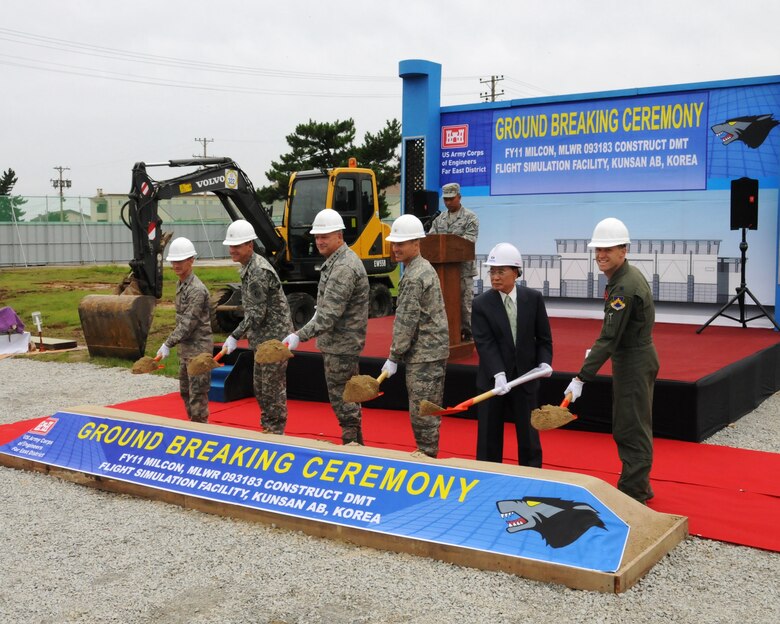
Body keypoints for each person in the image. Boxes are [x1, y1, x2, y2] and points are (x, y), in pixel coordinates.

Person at [564, 217, 659, 504]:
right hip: (632, 356)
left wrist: (581, 377)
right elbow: (613, 335)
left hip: (633, 360)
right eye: (598, 250)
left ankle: (633, 493)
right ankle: (639, 484)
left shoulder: (623, 287)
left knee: (630, 426)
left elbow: (609, 337)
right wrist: (596, 354)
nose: (601, 255)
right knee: (634, 422)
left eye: (608, 249)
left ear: (624, 250)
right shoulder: (624, 278)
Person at [282, 209, 369, 445]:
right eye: (317, 236)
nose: (319, 241)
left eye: (325, 236)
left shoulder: (343, 267)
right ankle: (356, 447)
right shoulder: (336, 262)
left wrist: (299, 335)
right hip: (338, 345)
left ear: (339, 236)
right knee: (345, 401)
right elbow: (324, 309)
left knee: (345, 404)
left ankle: (353, 451)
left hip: (342, 347)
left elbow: (328, 315)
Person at [471, 243, 553, 467]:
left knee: (529, 437)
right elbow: (485, 343)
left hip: (525, 379)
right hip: (492, 381)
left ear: (516, 272)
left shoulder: (533, 299)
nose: (494, 277)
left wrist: (545, 363)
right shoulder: (481, 304)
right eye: (492, 271)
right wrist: (498, 373)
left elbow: (544, 339)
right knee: (489, 438)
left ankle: (531, 477)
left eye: (500, 271)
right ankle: (487, 478)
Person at [380, 214, 449, 458]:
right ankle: (428, 453)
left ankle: (428, 458)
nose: (395, 248)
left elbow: (406, 322)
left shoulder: (414, 276)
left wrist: (393, 356)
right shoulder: (421, 268)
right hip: (430, 352)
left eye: (401, 243)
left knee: (423, 413)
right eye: (394, 243)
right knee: (427, 410)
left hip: (424, 354)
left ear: (416, 243)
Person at [222, 220, 293, 435]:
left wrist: (234, 336)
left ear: (250, 246)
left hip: (274, 341)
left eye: (237, 246)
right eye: (231, 246)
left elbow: (256, 314)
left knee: (271, 391)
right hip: (263, 340)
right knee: (262, 389)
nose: (232, 250)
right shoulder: (249, 267)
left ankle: (275, 433)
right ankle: (269, 429)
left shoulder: (258, 272)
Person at [156, 237, 213, 424]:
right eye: (173, 261)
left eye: (180, 261)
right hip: (186, 350)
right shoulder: (181, 284)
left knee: (198, 396)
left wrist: (167, 343)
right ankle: (194, 428)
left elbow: (188, 324)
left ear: (191, 260)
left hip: (198, 351)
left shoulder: (196, 289)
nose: (176, 265)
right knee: (186, 392)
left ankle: (201, 433)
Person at [427, 182, 479, 341]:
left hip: (463, 270)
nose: (448, 202)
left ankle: (467, 333)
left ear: (459, 197)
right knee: (442, 302)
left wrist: (449, 244)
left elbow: (469, 242)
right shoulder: (439, 219)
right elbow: (431, 240)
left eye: (451, 199)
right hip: (442, 272)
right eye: (446, 199)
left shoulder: (470, 218)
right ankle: (445, 332)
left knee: (465, 305)